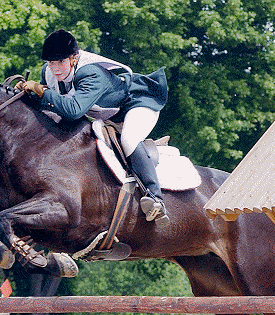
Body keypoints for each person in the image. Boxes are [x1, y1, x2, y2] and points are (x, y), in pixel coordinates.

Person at [16, 29, 170, 226]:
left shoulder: (91, 73)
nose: (55, 69)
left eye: (60, 62)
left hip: (136, 104)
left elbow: (73, 110)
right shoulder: (49, 73)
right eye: (50, 63)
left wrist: (42, 94)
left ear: (73, 58)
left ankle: (155, 198)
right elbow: (53, 110)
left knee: (129, 139)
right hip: (106, 114)